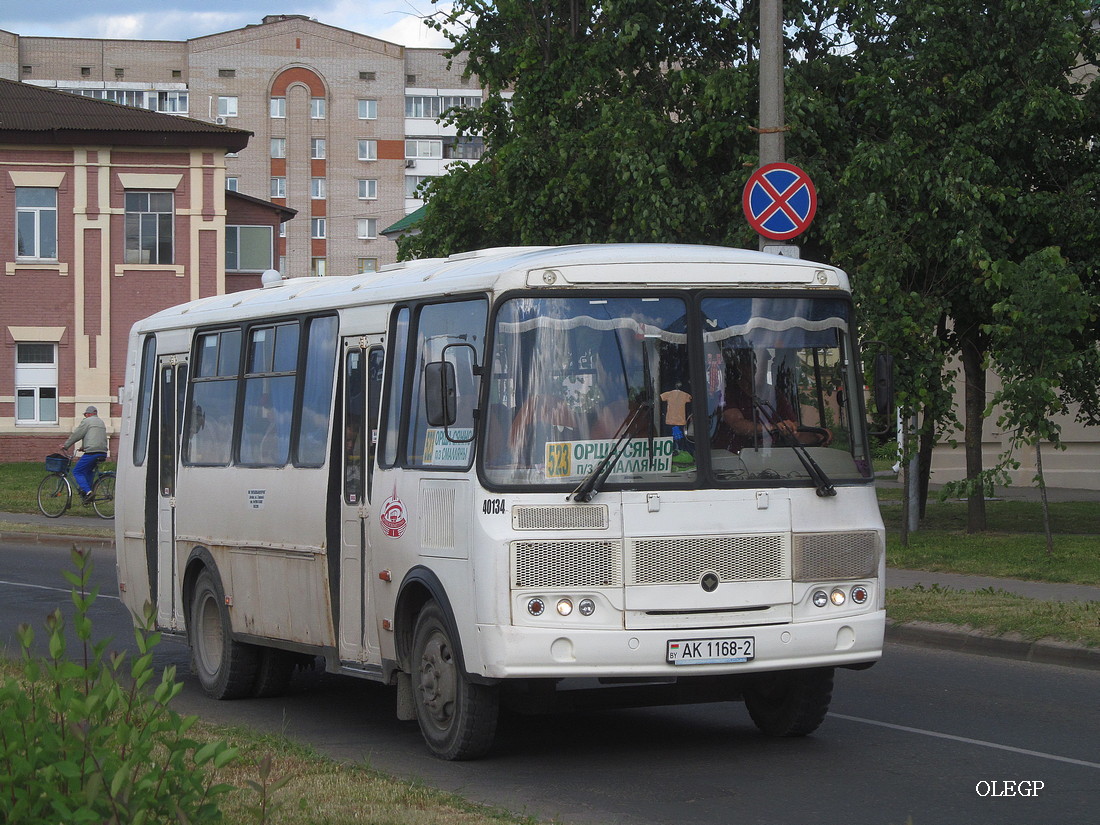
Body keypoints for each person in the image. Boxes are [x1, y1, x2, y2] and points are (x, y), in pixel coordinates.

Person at [61, 405, 108, 503]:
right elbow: (93, 436)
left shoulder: (87, 421)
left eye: (85, 414)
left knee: (77, 471)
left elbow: (77, 434)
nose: (85, 416)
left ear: (88, 414)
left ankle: (88, 492)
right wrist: (84, 447)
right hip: (102, 452)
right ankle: (88, 493)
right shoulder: (101, 422)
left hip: (92, 452)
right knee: (88, 471)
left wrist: (66, 446)